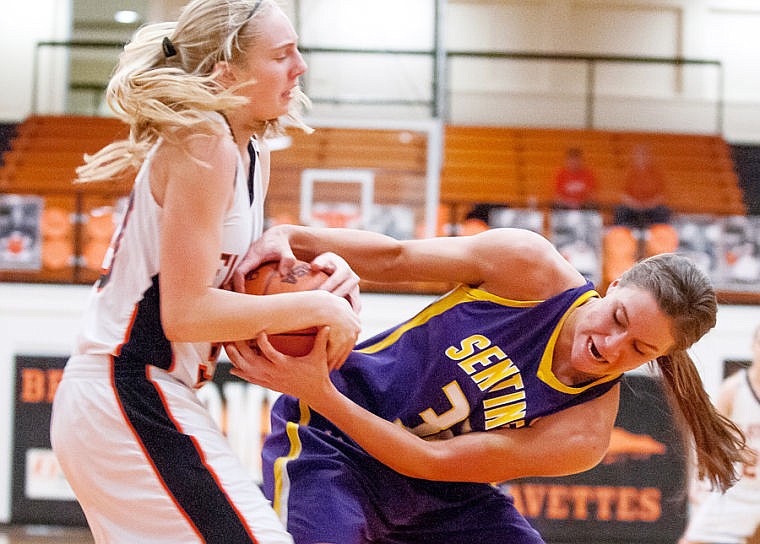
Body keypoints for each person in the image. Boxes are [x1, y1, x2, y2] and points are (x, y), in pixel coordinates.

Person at [49, 2, 361, 543]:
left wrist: (307, 266)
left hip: (145, 393)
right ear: (226, 73)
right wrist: (318, 306)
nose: (301, 66)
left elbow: (229, 285)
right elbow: (186, 312)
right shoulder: (204, 141)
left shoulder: (252, 151)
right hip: (127, 387)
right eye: (282, 54)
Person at [226, 225, 752, 544]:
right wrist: (292, 238)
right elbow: (396, 257)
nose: (612, 346)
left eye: (640, 349)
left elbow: (431, 463)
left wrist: (317, 388)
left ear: (662, 358)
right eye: (618, 318)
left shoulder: (585, 432)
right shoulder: (528, 268)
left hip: (442, 495)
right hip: (334, 442)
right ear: (614, 283)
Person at [681, 325, 760, 544]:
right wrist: (699, 479)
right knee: (692, 539)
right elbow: (708, 439)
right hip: (737, 491)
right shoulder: (734, 390)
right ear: (753, 346)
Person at [614, 144, 672, 229]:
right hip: (633, 206)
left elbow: (662, 195)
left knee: (663, 211)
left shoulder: (656, 174)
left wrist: (649, 204)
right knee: (620, 210)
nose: (641, 158)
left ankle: (659, 236)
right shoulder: (628, 173)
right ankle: (623, 236)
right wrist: (635, 204)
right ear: (634, 157)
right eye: (639, 156)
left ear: (649, 158)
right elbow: (623, 195)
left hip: (651, 207)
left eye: (644, 155)